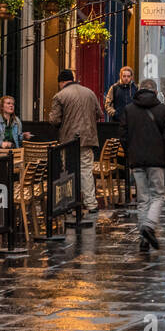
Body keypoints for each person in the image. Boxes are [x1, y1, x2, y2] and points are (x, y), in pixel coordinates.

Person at [121, 78, 165, 251]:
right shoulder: (163, 110)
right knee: (158, 194)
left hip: (136, 159)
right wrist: (163, 152)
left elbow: (123, 135)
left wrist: (131, 152)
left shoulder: (129, 110)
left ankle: (143, 238)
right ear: (155, 91)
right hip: (156, 160)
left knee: (143, 198)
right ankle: (149, 226)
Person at [49, 68, 103, 218]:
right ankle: (91, 204)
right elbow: (100, 114)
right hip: (88, 138)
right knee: (86, 171)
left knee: (69, 172)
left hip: (69, 141)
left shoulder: (59, 96)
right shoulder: (89, 92)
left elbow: (54, 120)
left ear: (61, 82)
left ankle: (70, 204)